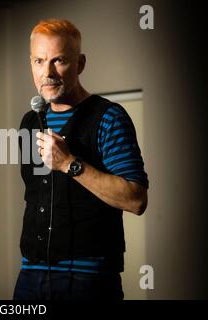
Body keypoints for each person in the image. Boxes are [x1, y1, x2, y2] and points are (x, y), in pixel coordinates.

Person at [13, 19, 149, 300]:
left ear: (80, 63)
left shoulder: (109, 117)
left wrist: (68, 164)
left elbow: (136, 200)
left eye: (58, 60)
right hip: (30, 275)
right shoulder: (30, 122)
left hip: (87, 279)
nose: (47, 72)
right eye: (39, 61)